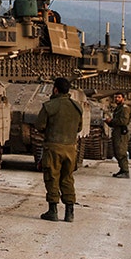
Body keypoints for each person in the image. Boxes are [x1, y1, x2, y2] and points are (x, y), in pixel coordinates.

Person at [35, 77, 83, 222]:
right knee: (67, 178)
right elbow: (79, 128)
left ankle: (53, 211)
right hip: (71, 149)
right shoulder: (77, 107)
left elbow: (39, 125)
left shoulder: (50, 106)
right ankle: (69, 213)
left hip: (53, 148)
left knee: (52, 177)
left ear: (55, 89)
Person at [106, 92, 131, 178]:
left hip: (121, 133)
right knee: (117, 152)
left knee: (121, 152)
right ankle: (122, 169)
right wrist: (109, 122)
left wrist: (111, 121)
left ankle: (125, 171)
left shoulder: (124, 108)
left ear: (123, 98)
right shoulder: (118, 108)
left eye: (119, 97)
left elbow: (124, 121)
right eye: (116, 97)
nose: (117, 99)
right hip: (117, 132)